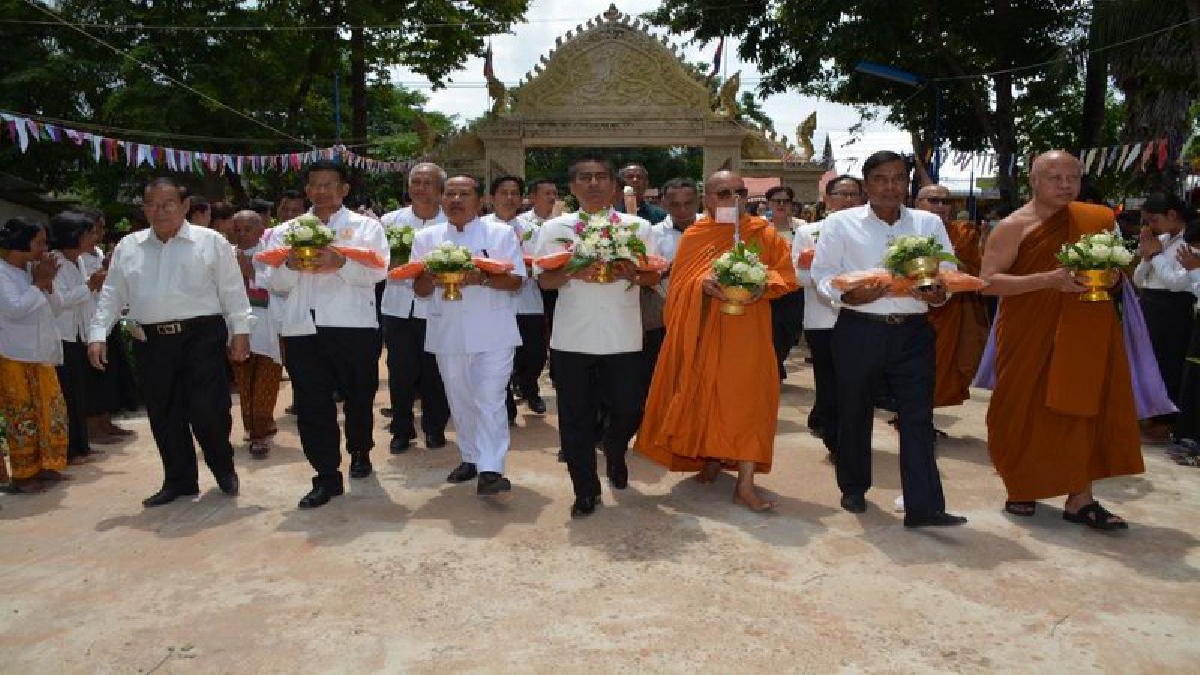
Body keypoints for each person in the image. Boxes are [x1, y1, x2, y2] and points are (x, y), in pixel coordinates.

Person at [979, 150, 1143, 529]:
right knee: (1021, 407)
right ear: (1034, 181)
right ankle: (1021, 485)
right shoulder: (1013, 226)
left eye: (1073, 177)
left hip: (1084, 328)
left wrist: (1113, 278)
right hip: (1028, 333)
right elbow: (987, 283)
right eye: (1055, 177)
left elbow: (1116, 269)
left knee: (1082, 406)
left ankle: (1080, 498)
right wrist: (1047, 280)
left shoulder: (1094, 221)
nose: (1066, 184)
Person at [811, 151, 967, 528]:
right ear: (867, 184)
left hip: (912, 333)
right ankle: (853, 487)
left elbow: (948, 270)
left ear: (907, 184)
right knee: (854, 410)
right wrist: (846, 296)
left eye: (898, 178)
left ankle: (924, 506)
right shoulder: (841, 224)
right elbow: (823, 275)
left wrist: (939, 293)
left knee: (917, 417)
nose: (890, 186)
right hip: (859, 328)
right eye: (881, 178)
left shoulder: (927, 222)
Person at [635, 170, 799, 511]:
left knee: (749, 400)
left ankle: (745, 485)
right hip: (705, 331)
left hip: (749, 332)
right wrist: (702, 285)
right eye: (724, 193)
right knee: (705, 395)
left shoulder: (762, 232)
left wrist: (758, 282)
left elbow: (785, 275)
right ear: (707, 198)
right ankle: (711, 456)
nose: (733, 199)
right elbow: (678, 287)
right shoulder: (697, 234)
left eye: (739, 192)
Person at [88, 177, 251, 507]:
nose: (159, 211)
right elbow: (111, 293)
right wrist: (97, 334)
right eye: (151, 204)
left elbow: (232, 290)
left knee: (208, 410)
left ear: (185, 206)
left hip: (201, 335)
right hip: (150, 340)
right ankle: (179, 480)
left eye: (167, 204)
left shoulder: (211, 242)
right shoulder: (128, 246)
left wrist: (241, 332)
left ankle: (223, 467)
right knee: (164, 413)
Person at [534, 156, 660, 518]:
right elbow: (544, 280)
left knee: (628, 408)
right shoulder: (556, 228)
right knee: (575, 418)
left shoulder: (638, 228)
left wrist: (631, 274)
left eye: (601, 177)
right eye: (584, 178)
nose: (593, 184)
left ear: (615, 186)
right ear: (572, 187)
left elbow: (653, 277)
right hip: (572, 338)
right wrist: (575, 272)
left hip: (624, 336)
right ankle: (584, 489)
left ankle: (616, 449)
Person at [264, 160, 388, 509]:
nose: (322, 191)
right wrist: (290, 266)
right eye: (315, 185)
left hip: (354, 327)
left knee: (359, 397)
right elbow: (272, 282)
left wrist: (342, 264)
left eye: (329, 184)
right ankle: (326, 476)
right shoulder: (287, 231)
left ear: (344, 189)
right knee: (312, 404)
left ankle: (360, 449)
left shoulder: (366, 228)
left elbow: (378, 273)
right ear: (307, 190)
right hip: (303, 328)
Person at [412, 176, 525, 494]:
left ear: (480, 201)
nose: (456, 200)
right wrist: (433, 277)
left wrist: (481, 279)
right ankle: (471, 457)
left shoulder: (501, 234)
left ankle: (491, 468)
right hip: (447, 330)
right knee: (460, 400)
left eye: (464, 194)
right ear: (441, 199)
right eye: (450, 194)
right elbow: (418, 289)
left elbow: (517, 281)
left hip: (494, 331)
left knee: (490, 399)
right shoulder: (427, 237)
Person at [379, 163, 452, 454]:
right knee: (400, 371)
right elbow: (375, 263)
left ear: (440, 190)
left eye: (428, 183)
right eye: (416, 182)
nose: (420, 188)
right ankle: (401, 428)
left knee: (436, 371)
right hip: (398, 308)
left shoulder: (451, 224)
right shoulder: (389, 221)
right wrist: (391, 267)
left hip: (437, 308)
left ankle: (434, 427)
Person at [0, 218, 69, 492]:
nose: (45, 248)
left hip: (40, 354)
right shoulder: (2, 273)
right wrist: (39, 283)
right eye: (40, 242)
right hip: (14, 356)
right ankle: (23, 474)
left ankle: (45, 465)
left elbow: (57, 308)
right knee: (22, 416)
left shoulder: (31, 271)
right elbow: (14, 309)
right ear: (21, 244)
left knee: (49, 411)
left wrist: (47, 282)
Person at [793, 175, 863, 445]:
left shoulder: (872, 232)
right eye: (842, 194)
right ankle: (834, 438)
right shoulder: (808, 232)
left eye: (853, 194)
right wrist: (832, 276)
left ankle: (849, 433)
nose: (848, 200)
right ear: (827, 199)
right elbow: (797, 276)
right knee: (828, 379)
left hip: (864, 316)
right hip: (823, 317)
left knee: (857, 380)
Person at [914, 184, 989, 412]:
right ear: (918, 203)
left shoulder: (963, 233)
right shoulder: (904, 230)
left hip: (951, 307)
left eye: (946, 202)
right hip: (911, 307)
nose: (940, 207)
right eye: (933, 201)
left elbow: (977, 269)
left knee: (942, 365)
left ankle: (923, 416)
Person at [1133, 193, 1195, 445]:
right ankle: (1151, 412)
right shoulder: (1159, 239)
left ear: (1172, 215)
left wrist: (1157, 256)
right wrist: (1147, 258)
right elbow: (1138, 279)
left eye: (1154, 220)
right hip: (1150, 303)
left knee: (1169, 361)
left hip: (1175, 308)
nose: (1150, 227)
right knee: (1149, 361)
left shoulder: (1191, 240)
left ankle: (1167, 420)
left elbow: (1177, 283)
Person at [486, 176, 547, 420]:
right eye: (503, 193)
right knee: (500, 357)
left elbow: (545, 262)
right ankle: (507, 404)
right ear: (492, 198)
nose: (509, 198)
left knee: (534, 355)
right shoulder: (481, 227)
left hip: (529, 302)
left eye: (514, 193)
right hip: (496, 302)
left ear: (521, 198)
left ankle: (530, 388)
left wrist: (531, 268)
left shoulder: (535, 230)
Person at [48, 211, 104, 465]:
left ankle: (82, 446)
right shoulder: (55, 263)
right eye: (88, 233)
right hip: (61, 335)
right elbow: (58, 303)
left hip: (77, 333)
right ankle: (70, 450)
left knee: (79, 393)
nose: (93, 238)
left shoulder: (78, 261)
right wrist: (89, 286)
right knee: (67, 394)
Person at [231, 210, 282, 458]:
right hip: (237, 326)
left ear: (261, 230)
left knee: (266, 377)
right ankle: (253, 426)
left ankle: (260, 432)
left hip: (268, 324)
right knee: (244, 379)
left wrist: (250, 272)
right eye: (237, 229)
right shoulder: (228, 254)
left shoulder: (273, 253)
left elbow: (281, 284)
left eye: (247, 229)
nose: (241, 234)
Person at [642, 178, 699, 393]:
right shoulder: (652, 234)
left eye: (688, 203)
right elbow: (646, 274)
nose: (683, 210)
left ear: (699, 201)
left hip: (705, 313)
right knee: (663, 377)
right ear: (663, 204)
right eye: (675, 204)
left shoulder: (713, 229)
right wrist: (672, 269)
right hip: (663, 314)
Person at [764, 185, 805, 380]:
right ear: (768, 204)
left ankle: (775, 364)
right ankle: (772, 368)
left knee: (789, 332)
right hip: (766, 289)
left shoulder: (802, 228)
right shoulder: (759, 227)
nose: (781, 205)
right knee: (768, 332)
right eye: (776, 201)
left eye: (785, 201)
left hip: (794, 289)